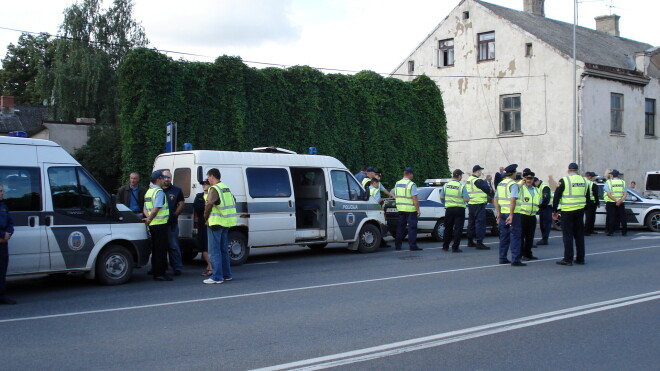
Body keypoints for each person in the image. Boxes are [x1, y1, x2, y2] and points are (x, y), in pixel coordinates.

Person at [553, 163, 591, 266]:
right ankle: (580, 259)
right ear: (577, 170)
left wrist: (554, 210)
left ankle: (568, 259)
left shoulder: (564, 180)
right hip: (580, 211)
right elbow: (588, 197)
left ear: (568, 170)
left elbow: (556, 196)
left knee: (568, 235)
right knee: (579, 236)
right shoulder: (585, 181)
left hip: (567, 211)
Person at [203, 168, 235, 284]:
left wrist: (205, 218)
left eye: (208, 177)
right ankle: (227, 275)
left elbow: (209, 203)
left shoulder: (214, 189)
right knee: (223, 250)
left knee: (214, 251)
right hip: (226, 222)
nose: (208, 180)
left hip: (215, 222)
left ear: (212, 176)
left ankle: (216, 277)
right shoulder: (226, 187)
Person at [494, 164, 525, 266]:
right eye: (516, 172)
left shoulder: (501, 184)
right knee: (515, 236)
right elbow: (513, 199)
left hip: (503, 213)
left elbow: (495, 199)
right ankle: (515, 259)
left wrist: (498, 212)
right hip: (513, 214)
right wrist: (511, 214)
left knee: (504, 237)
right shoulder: (513, 184)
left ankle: (502, 257)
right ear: (513, 173)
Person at [143, 171, 172, 281]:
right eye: (162, 178)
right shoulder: (159, 191)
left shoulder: (149, 191)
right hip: (160, 224)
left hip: (152, 225)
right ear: (158, 179)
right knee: (161, 250)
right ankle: (160, 274)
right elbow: (157, 207)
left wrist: (149, 218)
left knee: (155, 249)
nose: (164, 180)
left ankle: (155, 270)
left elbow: (145, 209)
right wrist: (150, 218)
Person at [161, 170, 185, 276]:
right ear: (161, 178)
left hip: (172, 223)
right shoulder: (157, 190)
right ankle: (161, 267)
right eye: (165, 177)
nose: (167, 179)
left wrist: (175, 216)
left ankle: (177, 267)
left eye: (169, 177)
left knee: (173, 246)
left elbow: (181, 204)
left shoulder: (177, 190)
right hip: (159, 223)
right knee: (160, 246)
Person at [440, 169, 469, 252]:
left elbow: (441, 197)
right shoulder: (461, 186)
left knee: (448, 228)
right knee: (458, 229)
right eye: (461, 176)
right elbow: (466, 199)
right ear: (459, 176)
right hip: (459, 209)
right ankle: (455, 247)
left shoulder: (446, 185)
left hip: (449, 209)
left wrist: (446, 204)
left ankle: (445, 246)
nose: (461, 177)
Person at [394, 167, 422, 251]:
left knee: (400, 228)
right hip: (410, 209)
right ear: (409, 174)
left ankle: (397, 246)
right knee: (412, 228)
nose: (412, 176)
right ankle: (412, 246)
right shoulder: (411, 184)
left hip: (400, 209)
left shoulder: (397, 183)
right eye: (412, 174)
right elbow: (415, 199)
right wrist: (418, 210)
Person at [466, 165, 493, 250]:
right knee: (480, 223)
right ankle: (479, 242)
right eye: (480, 171)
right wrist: (490, 190)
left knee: (471, 223)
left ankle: (470, 241)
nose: (481, 172)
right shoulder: (477, 181)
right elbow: (487, 189)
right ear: (477, 171)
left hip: (471, 204)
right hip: (478, 204)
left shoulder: (469, 180)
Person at [0, 185, 16, 304]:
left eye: (2, 191)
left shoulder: (3, 206)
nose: (2, 193)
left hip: (3, 243)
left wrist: (8, 234)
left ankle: (2, 294)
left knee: (2, 269)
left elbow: (10, 222)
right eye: (0, 191)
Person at [519, 173, 540, 261]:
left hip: (532, 216)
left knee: (530, 237)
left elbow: (539, 200)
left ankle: (528, 254)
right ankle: (520, 254)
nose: (529, 180)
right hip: (522, 215)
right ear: (524, 179)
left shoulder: (535, 189)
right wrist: (521, 181)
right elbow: (515, 188)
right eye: (527, 178)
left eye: (531, 179)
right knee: (521, 237)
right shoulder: (521, 188)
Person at [194, 180, 213, 277]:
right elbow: (196, 208)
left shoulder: (214, 195)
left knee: (210, 246)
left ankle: (210, 267)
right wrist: (206, 205)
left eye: (206, 184)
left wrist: (206, 206)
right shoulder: (199, 196)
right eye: (203, 184)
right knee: (203, 246)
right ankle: (210, 266)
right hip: (202, 224)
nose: (204, 185)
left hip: (213, 223)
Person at [604, 169, 627, 236]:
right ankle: (624, 232)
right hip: (621, 202)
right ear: (618, 175)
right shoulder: (623, 182)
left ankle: (611, 232)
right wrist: (620, 201)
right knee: (623, 217)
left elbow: (608, 194)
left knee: (611, 217)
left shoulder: (608, 182)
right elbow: (625, 194)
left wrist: (616, 201)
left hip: (611, 202)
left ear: (612, 175)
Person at [534, 177, 553, 246]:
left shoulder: (544, 187)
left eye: (534, 183)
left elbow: (546, 199)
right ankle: (544, 238)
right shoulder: (539, 187)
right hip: (542, 207)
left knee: (546, 224)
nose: (534, 185)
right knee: (542, 224)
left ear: (537, 181)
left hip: (546, 207)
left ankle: (545, 239)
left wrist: (540, 205)